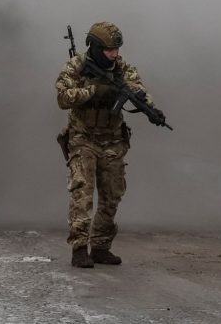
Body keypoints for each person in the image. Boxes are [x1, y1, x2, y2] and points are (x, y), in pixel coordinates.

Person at [56, 21, 163, 268]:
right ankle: (80, 248)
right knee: (82, 194)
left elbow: (139, 89)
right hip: (83, 139)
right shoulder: (77, 66)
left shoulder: (122, 68)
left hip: (113, 140)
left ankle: (101, 247)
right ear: (94, 47)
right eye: (109, 50)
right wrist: (93, 92)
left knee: (112, 195)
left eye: (116, 49)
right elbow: (62, 97)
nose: (114, 54)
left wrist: (146, 105)